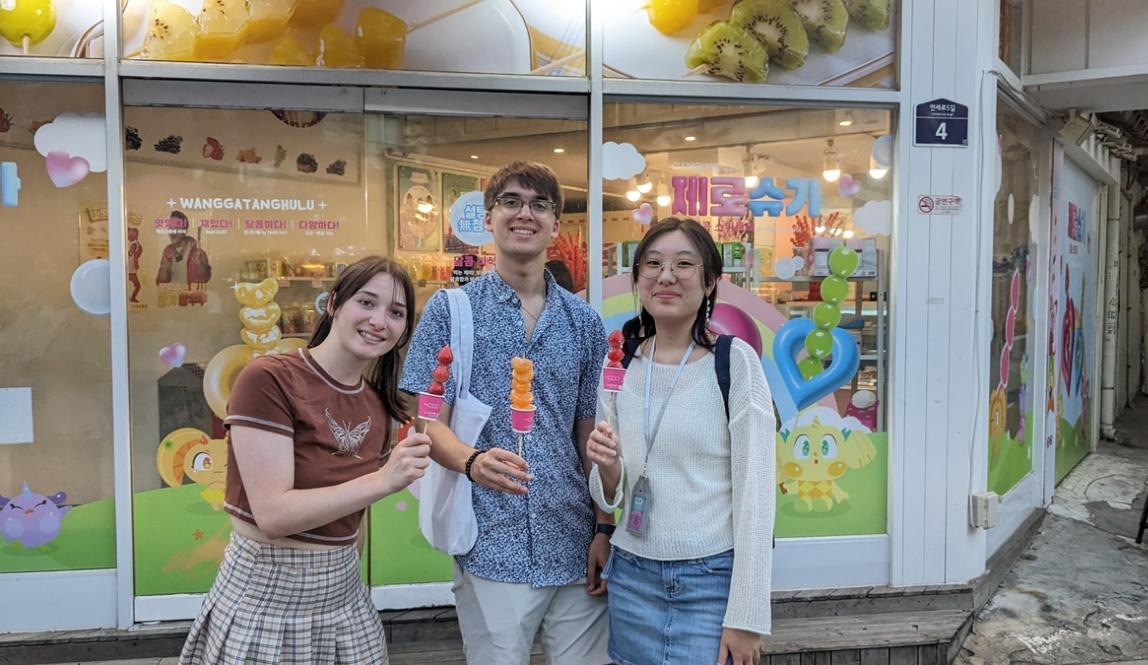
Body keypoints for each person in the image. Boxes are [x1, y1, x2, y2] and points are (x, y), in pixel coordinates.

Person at [400, 161, 612, 665]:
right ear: (488, 218)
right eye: (511, 202)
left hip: (572, 538)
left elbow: (589, 435)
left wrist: (604, 526)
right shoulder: (452, 311)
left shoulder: (584, 322)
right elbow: (427, 418)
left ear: (556, 224)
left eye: (540, 205)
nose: (525, 214)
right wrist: (472, 461)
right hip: (491, 540)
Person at [180, 256, 430, 665]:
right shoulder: (269, 379)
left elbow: (355, 518)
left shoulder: (378, 405)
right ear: (333, 303)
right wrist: (385, 480)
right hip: (266, 605)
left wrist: (345, 576)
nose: (378, 321)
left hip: (345, 604)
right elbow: (273, 515)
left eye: (396, 312)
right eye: (366, 302)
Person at [586, 217, 776, 665]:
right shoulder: (619, 364)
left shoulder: (735, 362)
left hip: (709, 581)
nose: (666, 276)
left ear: (710, 282)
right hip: (630, 576)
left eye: (684, 264)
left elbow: (756, 496)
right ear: (638, 279)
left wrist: (747, 615)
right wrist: (608, 467)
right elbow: (610, 491)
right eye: (653, 264)